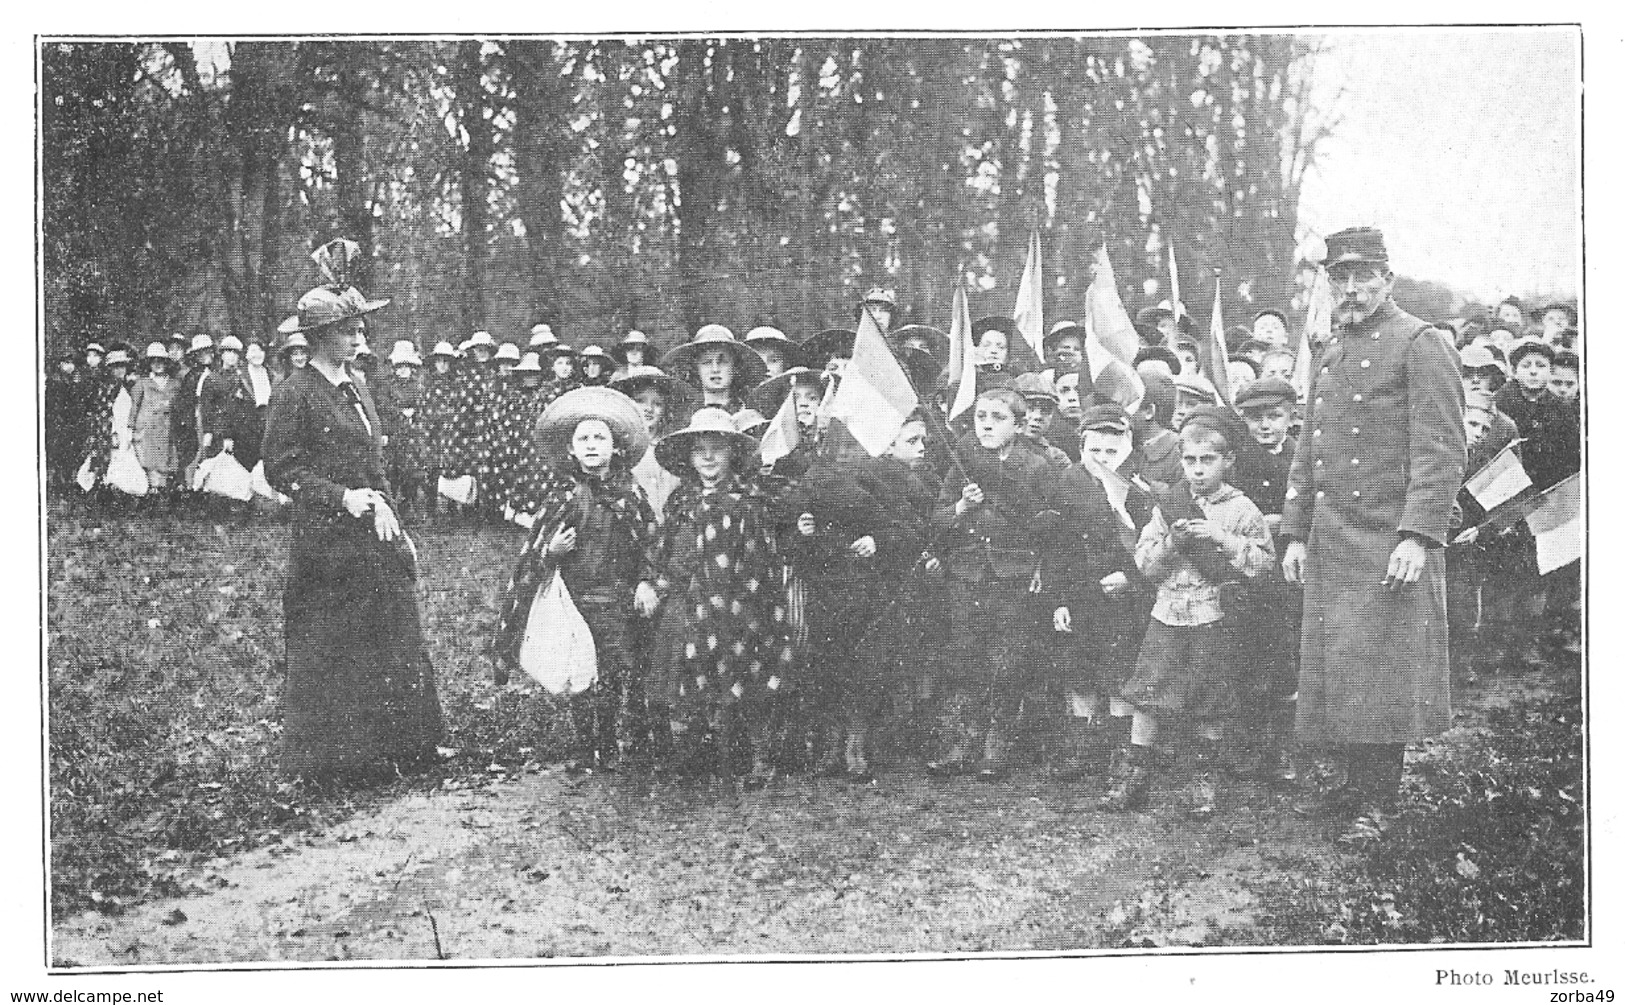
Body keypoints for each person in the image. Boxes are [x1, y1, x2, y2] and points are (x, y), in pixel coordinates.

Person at [1280, 226, 1466, 825]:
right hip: (1334, 535)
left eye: (1365, 278)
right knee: (1339, 665)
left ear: (1388, 279)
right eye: (1342, 278)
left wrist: (1418, 535)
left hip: (1390, 537)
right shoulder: (1329, 350)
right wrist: (1296, 531)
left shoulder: (1420, 343)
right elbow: (1310, 448)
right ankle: (1352, 784)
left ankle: (1378, 800)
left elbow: (1441, 451)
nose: (1353, 289)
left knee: (1383, 669)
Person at [261, 239, 441, 782]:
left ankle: (407, 746)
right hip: (327, 544)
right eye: (350, 330)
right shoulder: (295, 393)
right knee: (335, 640)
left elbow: (374, 457)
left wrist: (393, 516)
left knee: (392, 629)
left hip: (373, 531)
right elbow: (280, 470)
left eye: (361, 329)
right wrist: (341, 498)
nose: (360, 339)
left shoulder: (357, 385)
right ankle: (337, 760)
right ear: (319, 337)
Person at [1109, 409, 1274, 816]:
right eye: (1190, 461)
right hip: (1167, 612)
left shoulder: (1242, 509)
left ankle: (1204, 781)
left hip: (1213, 616)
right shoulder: (1168, 505)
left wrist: (1221, 537)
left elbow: (1265, 565)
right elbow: (1144, 563)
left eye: (1208, 460)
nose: (1198, 470)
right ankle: (1135, 778)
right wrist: (1170, 544)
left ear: (1228, 461)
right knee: (1148, 693)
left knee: (1210, 699)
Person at [492, 386, 658, 775]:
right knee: (582, 673)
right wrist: (552, 551)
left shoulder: (630, 494)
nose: (591, 445)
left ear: (616, 447)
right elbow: (534, 553)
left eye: (600, 437)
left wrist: (645, 581)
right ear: (570, 450)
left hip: (618, 601)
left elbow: (651, 542)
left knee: (617, 672)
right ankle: (586, 748)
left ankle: (612, 741)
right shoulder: (563, 497)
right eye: (582, 439)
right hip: (577, 600)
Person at [647, 407, 796, 786]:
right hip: (690, 601)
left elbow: (761, 563)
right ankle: (699, 752)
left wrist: (745, 600)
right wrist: (656, 583)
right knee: (685, 665)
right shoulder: (681, 503)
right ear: (689, 458)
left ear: (732, 454)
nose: (709, 458)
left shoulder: (749, 503)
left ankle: (759, 758)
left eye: (717, 449)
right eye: (700, 450)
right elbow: (665, 552)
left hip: (739, 603)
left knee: (748, 670)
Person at [926, 387, 1058, 781]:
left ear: (1018, 426)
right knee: (967, 658)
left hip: (1013, 578)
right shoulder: (962, 462)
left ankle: (998, 741)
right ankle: (967, 739)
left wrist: (1041, 571)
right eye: (981, 416)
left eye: (998, 417)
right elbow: (938, 517)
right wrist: (963, 506)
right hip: (968, 575)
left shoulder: (1036, 467)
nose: (986, 424)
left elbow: (1051, 528)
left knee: (1008, 661)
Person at [660, 324, 767, 413]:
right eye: (706, 362)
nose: (715, 369)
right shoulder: (686, 416)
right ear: (696, 368)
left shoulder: (746, 413)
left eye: (723, 362)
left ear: (734, 367)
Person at [128, 342, 181, 498]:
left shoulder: (174, 384)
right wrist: (131, 429)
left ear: (166, 363)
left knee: (165, 462)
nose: (158, 364)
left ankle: (163, 496)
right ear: (149, 364)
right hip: (147, 432)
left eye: (161, 360)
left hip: (166, 430)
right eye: (154, 361)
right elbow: (134, 408)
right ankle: (151, 495)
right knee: (149, 463)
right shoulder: (142, 384)